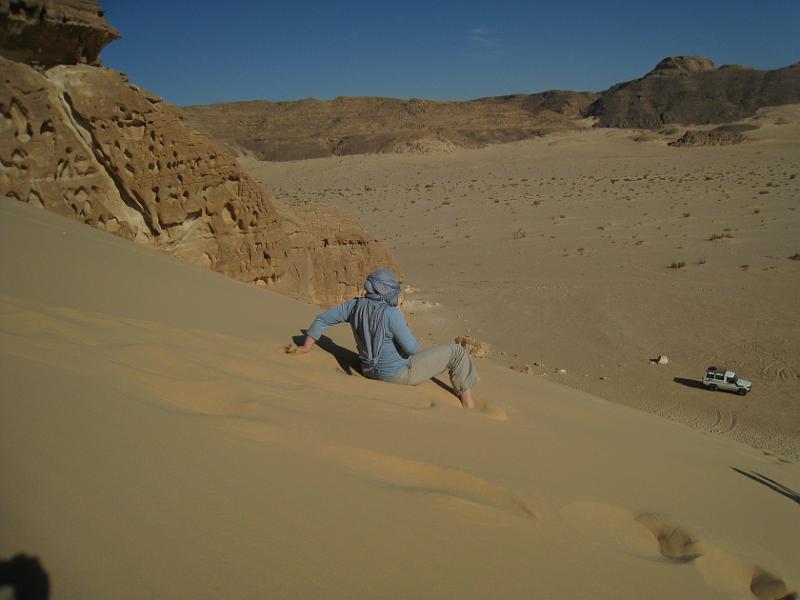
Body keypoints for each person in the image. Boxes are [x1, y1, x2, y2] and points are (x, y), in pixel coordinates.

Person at [295, 269, 479, 408]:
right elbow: (412, 349)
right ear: (386, 291)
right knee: (457, 352)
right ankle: (468, 404)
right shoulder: (391, 314)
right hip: (397, 374)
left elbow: (322, 319)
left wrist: (306, 347)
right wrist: (405, 328)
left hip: (367, 370)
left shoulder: (354, 306)